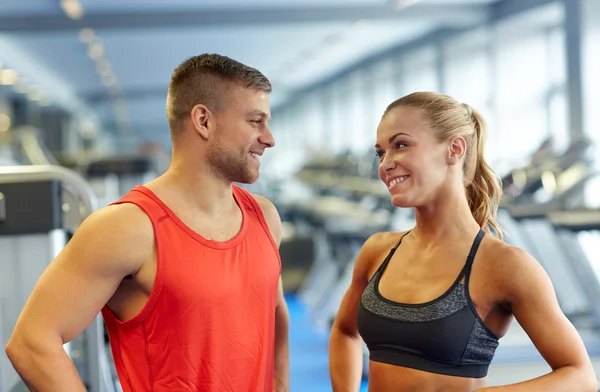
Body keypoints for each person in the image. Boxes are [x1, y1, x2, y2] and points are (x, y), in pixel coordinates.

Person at [5, 53, 290, 392]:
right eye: (255, 121)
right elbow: (32, 342)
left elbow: (275, 319)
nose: (269, 138)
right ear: (203, 120)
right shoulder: (127, 228)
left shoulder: (264, 218)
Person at [328, 91, 597, 391]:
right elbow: (344, 331)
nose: (385, 164)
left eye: (400, 145)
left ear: (454, 149)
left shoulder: (504, 265)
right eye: (380, 152)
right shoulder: (378, 250)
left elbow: (579, 376)